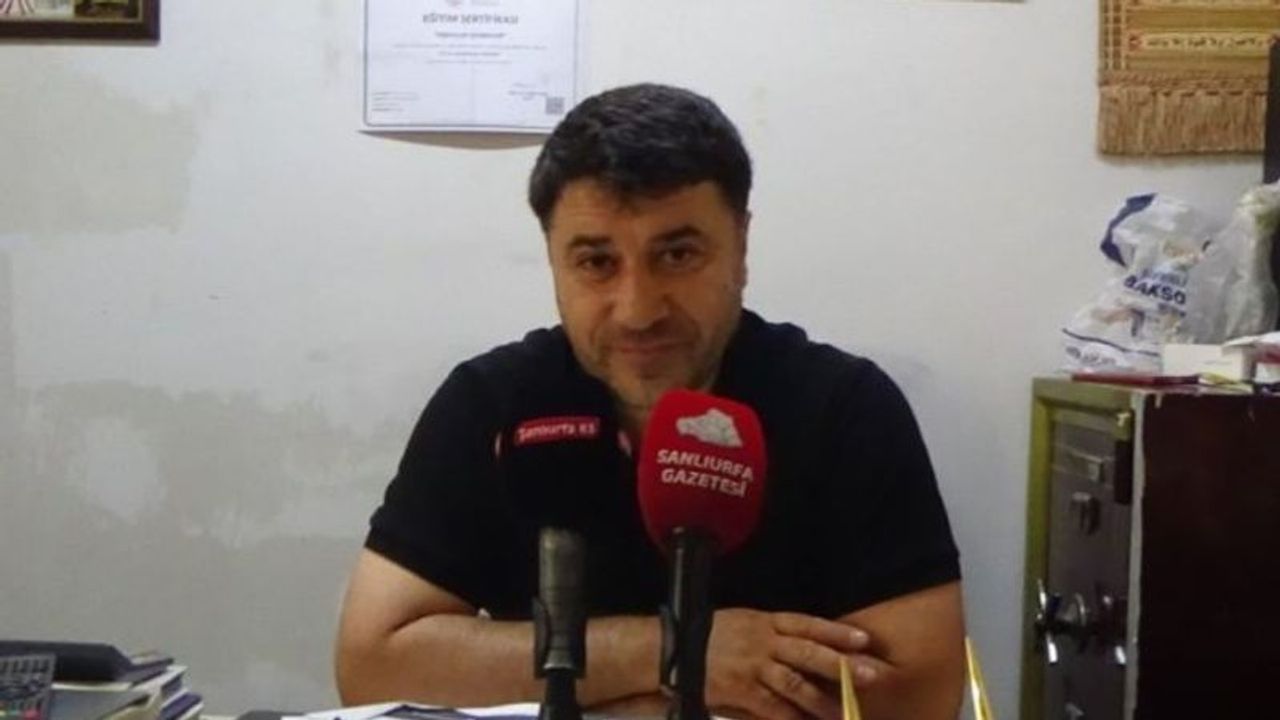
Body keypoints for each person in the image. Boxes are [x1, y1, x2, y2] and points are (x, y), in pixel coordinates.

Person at [335, 83, 965, 720]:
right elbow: (372, 666)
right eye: (596, 262)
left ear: (741, 245)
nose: (638, 310)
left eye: (677, 254)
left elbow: (922, 694)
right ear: (552, 260)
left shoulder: (846, 409)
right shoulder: (490, 404)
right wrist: (677, 653)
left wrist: (598, 692)